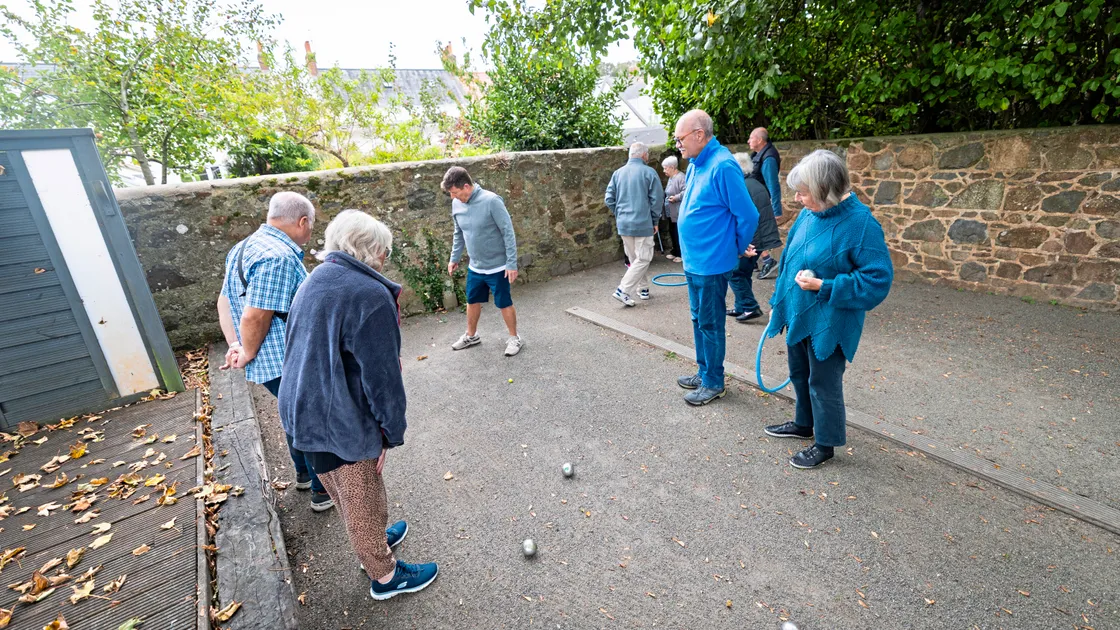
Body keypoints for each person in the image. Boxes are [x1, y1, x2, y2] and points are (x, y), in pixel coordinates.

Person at [278, 210, 438, 600]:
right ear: (371, 251)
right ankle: (384, 575)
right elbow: (383, 379)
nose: (385, 258)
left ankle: (374, 543)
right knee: (359, 497)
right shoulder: (369, 294)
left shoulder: (316, 278)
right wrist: (389, 434)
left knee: (346, 492)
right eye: (384, 251)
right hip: (337, 420)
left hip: (300, 408)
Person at [762, 150, 894, 469]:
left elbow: (877, 279)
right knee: (799, 373)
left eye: (803, 192)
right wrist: (779, 305)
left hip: (832, 321)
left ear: (825, 190)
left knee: (824, 383)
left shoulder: (861, 223)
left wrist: (826, 286)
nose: (797, 198)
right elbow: (790, 261)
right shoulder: (811, 213)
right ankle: (804, 424)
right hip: (799, 314)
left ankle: (825, 443)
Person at [216, 191, 333, 512]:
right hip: (287, 358)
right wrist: (247, 352)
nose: (311, 234)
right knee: (314, 422)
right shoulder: (278, 257)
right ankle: (323, 492)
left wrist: (235, 344)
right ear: (302, 221)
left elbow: (224, 300)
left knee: (294, 416)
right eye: (312, 226)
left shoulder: (241, 249)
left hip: (272, 359)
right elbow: (256, 314)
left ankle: (304, 475)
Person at [672, 110, 759, 406]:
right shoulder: (697, 162)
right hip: (695, 261)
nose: (677, 144)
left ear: (699, 134)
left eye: (679, 138)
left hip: (711, 263)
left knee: (709, 322)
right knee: (699, 319)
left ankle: (713, 382)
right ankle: (704, 370)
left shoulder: (723, 165)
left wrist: (735, 246)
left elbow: (748, 214)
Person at [443, 166, 523, 357]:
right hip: (476, 266)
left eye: (455, 192)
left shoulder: (491, 201)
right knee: (472, 301)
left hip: (498, 266)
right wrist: (454, 257)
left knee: (504, 302)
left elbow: (508, 232)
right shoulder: (456, 204)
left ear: (466, 186)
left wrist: (511, 263)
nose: (453, 197)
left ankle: (514, 338)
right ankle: (471, 336)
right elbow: (459, 232)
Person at [604, 142, 665, 306]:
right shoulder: (649, 172)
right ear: (644, 155)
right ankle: (622, 290)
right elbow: (657, 199)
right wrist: (655, 220)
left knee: (635, 259)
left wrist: (620, 214)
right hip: (643, 222)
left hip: (623, 223)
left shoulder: (618, 173)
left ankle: (643, 289)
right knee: (644, 258)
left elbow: (609, 199)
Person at [728, 153, 783, 323]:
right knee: (743, 274)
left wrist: (741, 243)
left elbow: (744, 218)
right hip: (761, 238)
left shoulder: (742, 187)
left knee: (734, 273)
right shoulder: (755, 183)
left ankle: (750, 307)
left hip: (752, 239)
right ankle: (741, 306)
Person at [748, 127, 783, 279]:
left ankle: (768, 260)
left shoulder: (768, 158)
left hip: (760, 201)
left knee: (757, 231)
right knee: (752, 230)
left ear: (760, 140)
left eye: (751, 138)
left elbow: (773, 186)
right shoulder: (758, 154)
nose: (748, 141)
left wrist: (776, 210)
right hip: (756, 199)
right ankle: (755, 260)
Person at [662, 156, 686, 263]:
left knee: (678, 232)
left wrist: (676, 197)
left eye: (665, 168)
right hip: (671, 211)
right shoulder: (671, 178)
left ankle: (681, 253)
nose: (664, 171)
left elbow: (686, 191)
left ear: (672, 167)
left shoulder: (681, 177)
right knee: (672, 231)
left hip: (678, 210)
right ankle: (675, 251)